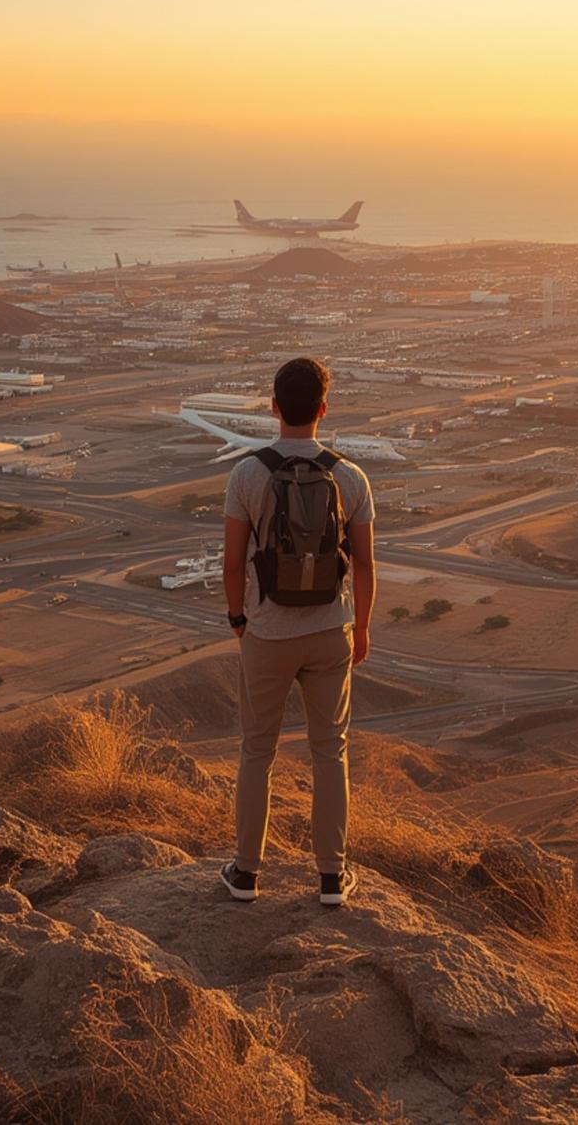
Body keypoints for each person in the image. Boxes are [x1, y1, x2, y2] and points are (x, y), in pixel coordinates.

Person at [219, 356, 376, 906]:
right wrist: (361, 629)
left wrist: (241, 619)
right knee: (330, 752)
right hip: (331, 631)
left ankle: (246, 874)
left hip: (266, 633)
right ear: (324, 409)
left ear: (275, 407)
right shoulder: (351, 476)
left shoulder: (247, 473)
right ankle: (332, 878)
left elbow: (233, 564)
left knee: (256, 751)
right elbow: (364, 566)